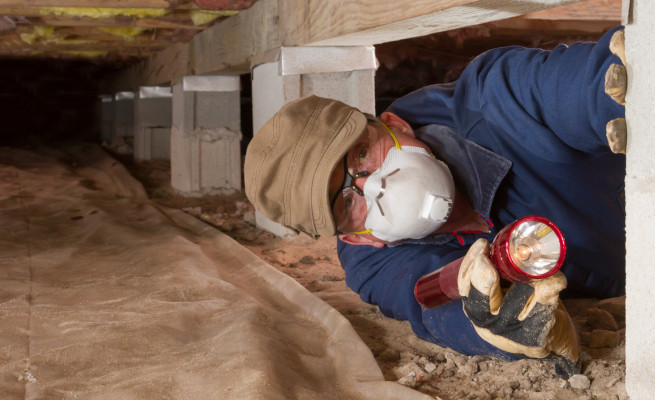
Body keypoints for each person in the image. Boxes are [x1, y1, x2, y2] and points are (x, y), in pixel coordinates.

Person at [244, 27, 627, 377]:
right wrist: (490, 325)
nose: (373, 185)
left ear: (394, 125)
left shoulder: (494, 101)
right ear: (357, 238)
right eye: (346, 203)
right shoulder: (374, 267)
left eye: (361, 156)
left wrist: (626, 84)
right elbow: (431, 305)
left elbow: (575, 86)